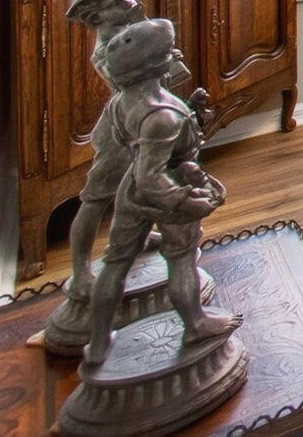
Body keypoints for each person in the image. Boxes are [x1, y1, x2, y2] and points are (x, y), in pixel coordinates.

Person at [82, 18, 239, 367]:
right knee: (182, 258)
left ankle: (97, 343)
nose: (176, 56)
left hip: (131, 193)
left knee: (114, 264)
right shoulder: (163, 117)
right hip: (166, 191)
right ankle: (195, 323)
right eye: (170, 53)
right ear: (156, 65)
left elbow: (133, 150)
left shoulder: (123, 102)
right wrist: (184, 198)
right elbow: (152, 173)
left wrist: (191, 114)